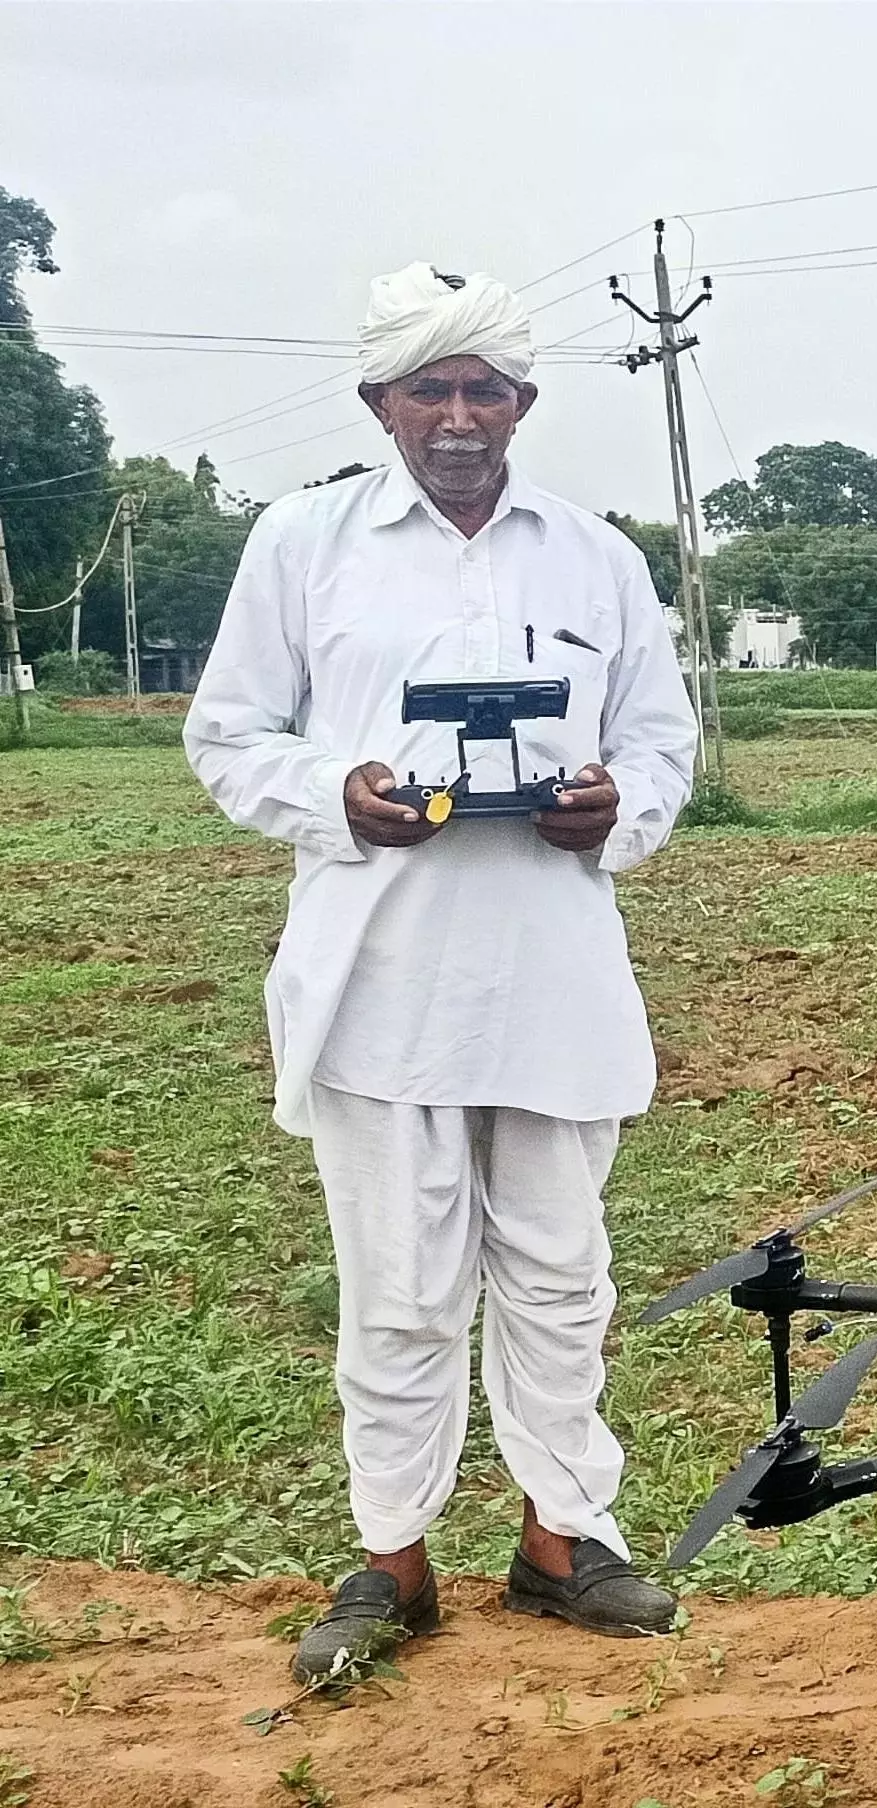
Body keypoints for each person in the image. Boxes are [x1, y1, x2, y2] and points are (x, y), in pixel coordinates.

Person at [185, 262, 699, 1684]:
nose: (461, 415)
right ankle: (392, 1562)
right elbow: (228, 733)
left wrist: (618, 811)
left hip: (552, 972)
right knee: (401, 1288)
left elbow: (660, 743)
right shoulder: (306, 543)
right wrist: (329, 791)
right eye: (434, 389)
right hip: (379, 977)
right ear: (381, 402)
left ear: (524, 405)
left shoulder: (596, 557)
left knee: (559, 1275)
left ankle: (560, 1541)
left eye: (487, 390)